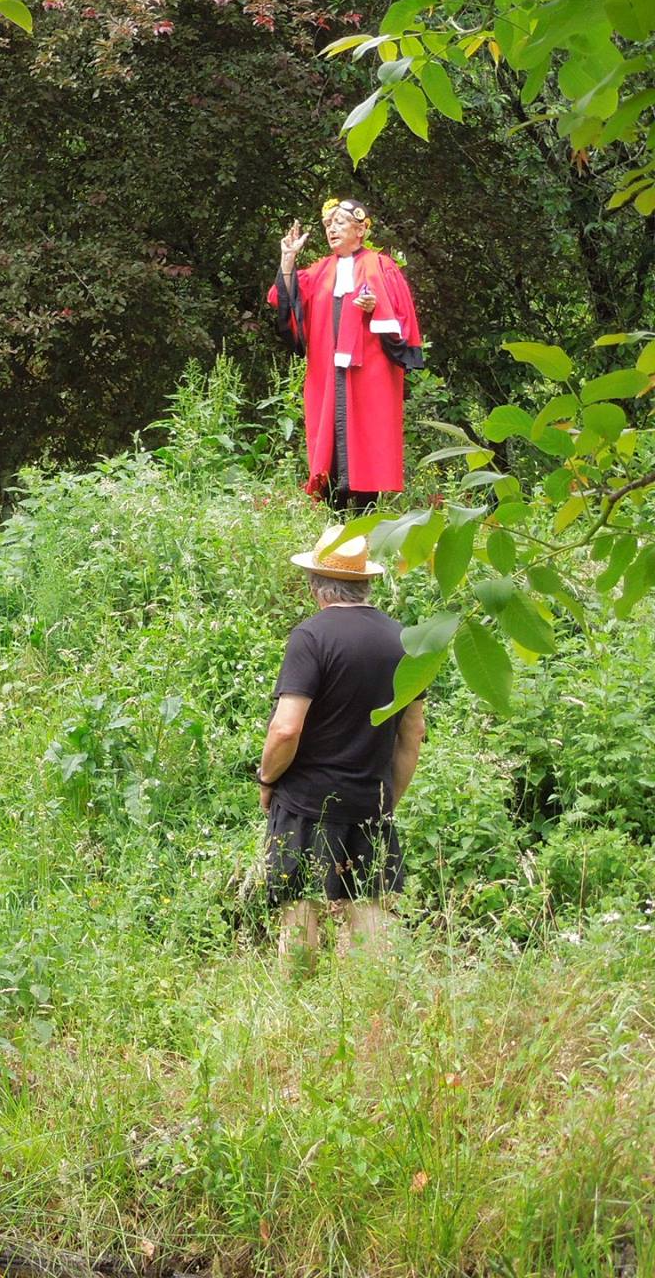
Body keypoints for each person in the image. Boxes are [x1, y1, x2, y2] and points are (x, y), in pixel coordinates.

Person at [259, 527, 428, 968]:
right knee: (372, 908)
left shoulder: (311, 638)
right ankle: (376, 1009)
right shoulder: (406, 641)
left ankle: (294, 1011)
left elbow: (285, 730)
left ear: (316, 585)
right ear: (366, 582)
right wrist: (387, 799)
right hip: (370, 801)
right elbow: (413, 735)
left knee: (301, 907)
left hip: (307, 803)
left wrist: (267, 779)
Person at [269, 197, 425, 510]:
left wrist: (374, 307)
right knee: (328, 431)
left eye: (340, 223)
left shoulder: (381, 267)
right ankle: (333, 508)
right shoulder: (320, 271)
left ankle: (367, 506)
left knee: (368, 431)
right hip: (327, 372)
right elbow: (283, 299)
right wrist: (288, 259)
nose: (332, 230)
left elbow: (402, 318)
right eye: (329, 225)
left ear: (360, 231)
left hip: (371, 372)